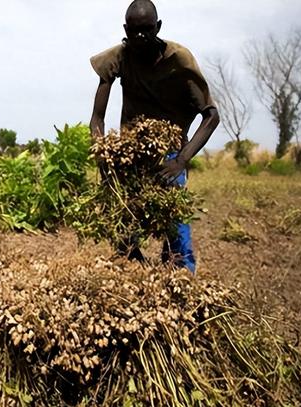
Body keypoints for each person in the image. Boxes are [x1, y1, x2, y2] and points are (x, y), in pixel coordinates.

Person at [89, 0, 220, 273]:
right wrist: (102, 153)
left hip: (170, 152)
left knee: (175, 224)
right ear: (126, 29)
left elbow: (211, 116)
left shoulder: (179, 59)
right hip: (131, 151)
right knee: (127, 223)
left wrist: (181, 160)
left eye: (147, 29)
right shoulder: (119, 57)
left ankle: (182, 281)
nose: (140, 37)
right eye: (134, 31)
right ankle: (130, 274)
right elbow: (97, 118)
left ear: (158, 27)